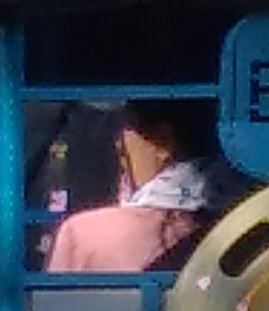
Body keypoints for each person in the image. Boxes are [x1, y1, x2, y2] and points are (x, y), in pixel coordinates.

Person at [46, 101, 238, 275]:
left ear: (163, 142)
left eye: (127, 128)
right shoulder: (242, 219)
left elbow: (52, 310)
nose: (118, 145)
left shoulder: (81, 234)